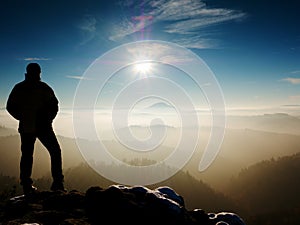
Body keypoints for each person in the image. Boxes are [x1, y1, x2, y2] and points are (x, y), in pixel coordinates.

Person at [6, 62, 66, 195]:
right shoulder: (44, 88)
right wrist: (48, 119)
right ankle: (57, 183)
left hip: (27, 127)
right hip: (42, 127)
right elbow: (54, 106)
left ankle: (27, 185)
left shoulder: (19, 88)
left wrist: (21, 117)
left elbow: (10, 106)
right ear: (39, 73)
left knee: (27, 155)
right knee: (55, 151)